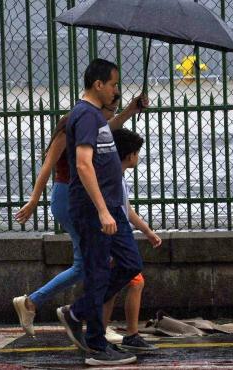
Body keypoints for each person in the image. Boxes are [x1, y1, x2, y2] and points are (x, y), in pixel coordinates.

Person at [12, 90, 146, 337]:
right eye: (110, 111)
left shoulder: (92, 122)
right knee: (93, 263)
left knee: (90, 264)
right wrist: (33, 201)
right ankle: (85, 320)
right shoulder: (70, 126)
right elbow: (47, 165)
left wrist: (129, 111)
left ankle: (65, 312)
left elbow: (109, 126)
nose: (109, 118)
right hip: (68, 197)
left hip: (78, 198)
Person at [56, 58, 143, 366]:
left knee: (131, 262)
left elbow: (106, 132)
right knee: (98, 272)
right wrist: (103, 211)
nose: (115, 90)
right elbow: (82, 164)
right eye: (114, 84)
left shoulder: (94, 117)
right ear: (98, 85)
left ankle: (77, 312)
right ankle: (95, 344)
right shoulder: (83, 115)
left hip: (110, 208)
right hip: (96, 210)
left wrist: (131, 110)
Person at [102, 128, 161, 352]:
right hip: (116, 240)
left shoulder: (117, 177)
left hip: (117, 238)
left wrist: (147, 231)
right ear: (130, 155)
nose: (138, 157)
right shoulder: (116, 180)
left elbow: (126, 210)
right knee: (127, 283)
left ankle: (104, 333)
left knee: (118, 285)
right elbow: (122, 211)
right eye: (137, 152)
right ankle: (128, 334)